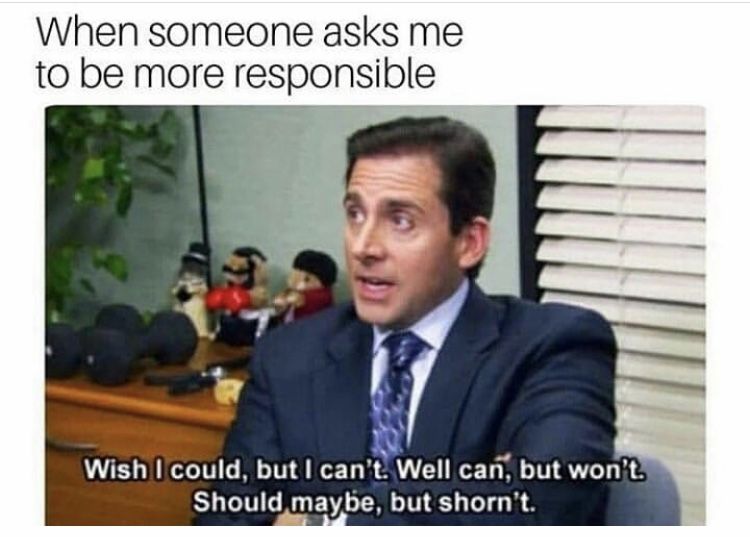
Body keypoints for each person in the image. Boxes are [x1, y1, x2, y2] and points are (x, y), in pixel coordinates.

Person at [195, 116, 616, 525]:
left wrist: (321, 522)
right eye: (355, 214)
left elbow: (542, 504)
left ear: (469, 243)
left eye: (400, 220)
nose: (363, 247)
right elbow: (225, 519)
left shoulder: (554, 347)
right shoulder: (289, 356)